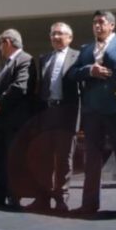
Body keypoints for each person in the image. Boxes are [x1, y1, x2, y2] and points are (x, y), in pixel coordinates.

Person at [69, 10, 116, 217]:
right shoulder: (86, 49)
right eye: (94, 23)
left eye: (101, 22)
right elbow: (72, 73)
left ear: (112, 25)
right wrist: (89, 70)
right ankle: (89, 204)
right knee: (91, 158)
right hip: (92, 110)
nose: (97, 26)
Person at [29, 22, 80, 213]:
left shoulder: (78, 57)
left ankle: (61, 198)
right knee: (44, 157)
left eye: (60, 34)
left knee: (64, 158)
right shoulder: (44, 58)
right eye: (53, 34)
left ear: (70, 37)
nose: (56, 37)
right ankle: (42, 198)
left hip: (67, 113)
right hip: (47, 112)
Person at [0, 29, 33, 208]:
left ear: (7, 42)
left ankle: (14, 197)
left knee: (14, 159)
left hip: (14, 121)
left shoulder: (25, 60)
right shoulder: (5, 64)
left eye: (0, 44)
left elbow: (20, 86)